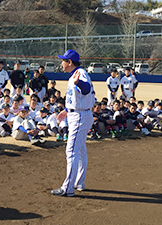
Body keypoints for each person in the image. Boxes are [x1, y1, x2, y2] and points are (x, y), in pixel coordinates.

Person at [52, 50, 95, 197]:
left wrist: (79, 83)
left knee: (71, 152)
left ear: (69, 62)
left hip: (80, 116)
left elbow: (86, 89)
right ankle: (78, 182)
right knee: (80, 150)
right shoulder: (76, 74)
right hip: (78, 113)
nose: (62, 63)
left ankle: (68, 188)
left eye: (63, 60)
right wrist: (66, 110)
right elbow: (77, 98)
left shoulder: (80, 74)